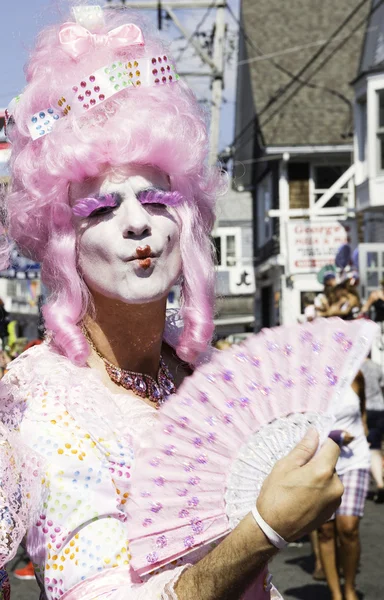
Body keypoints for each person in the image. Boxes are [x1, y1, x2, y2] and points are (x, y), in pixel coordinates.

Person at [0, 4, 344, 599]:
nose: (138, 225)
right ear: (63, 242)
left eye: (156, 200)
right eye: (102, 208)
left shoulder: (202, 374)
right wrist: (263, 529)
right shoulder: (46, 400)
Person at [318, 373, 370, 600]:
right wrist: (336, 435)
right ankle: (336, 594)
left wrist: (364, 426)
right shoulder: (307, 381)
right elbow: (301, 425)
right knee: (326, 530)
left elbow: (363, 405)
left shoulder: (355, 375)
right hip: (321, 462)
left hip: (355, 459)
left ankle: (349, 588)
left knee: (348, 527)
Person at [360, 355, 384, 503]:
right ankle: (380, 481)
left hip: (365, 411)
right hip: (380, 409)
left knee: (368, 447)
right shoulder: (376, 366)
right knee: (375, 446)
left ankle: (379, 482)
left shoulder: (356, 367)